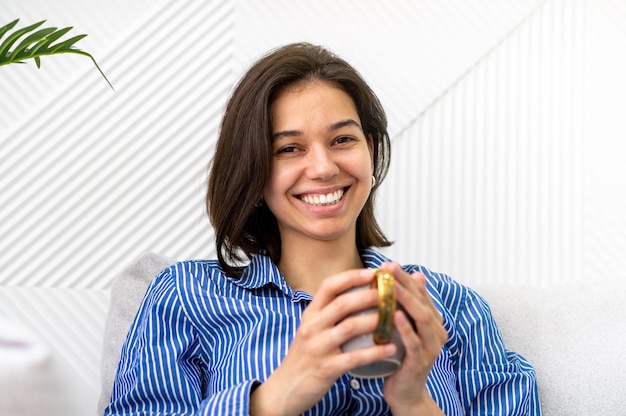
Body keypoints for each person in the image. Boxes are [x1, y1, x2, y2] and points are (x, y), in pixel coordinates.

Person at [104, 42, 541, 415]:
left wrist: (413, 401)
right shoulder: (185, 297)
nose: (323, 167)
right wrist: (275, 397)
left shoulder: (452, 309)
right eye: (289, 148)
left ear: (370, 151)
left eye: (342, 140)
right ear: (254, 169)